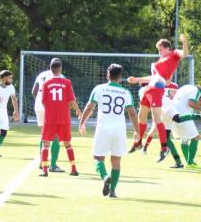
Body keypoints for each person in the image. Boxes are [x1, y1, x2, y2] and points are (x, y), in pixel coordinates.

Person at [79, 64, 139, 198]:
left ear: (108, 75)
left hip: (103, 128)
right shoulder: (125, 92)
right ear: (120, 77)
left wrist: (82, 122)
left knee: (98, 158)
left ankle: (105, 176)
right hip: (119, 130)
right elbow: (133, 114)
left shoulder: (99, 89)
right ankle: (112, 191)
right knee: (116, 161)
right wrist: (138, 131)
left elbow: (90, 107)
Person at [127, 34, 189, 162]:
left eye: (160, 49)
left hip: (157, 90)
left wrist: (184, 42)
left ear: (167, 48)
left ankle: (164, 148)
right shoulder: (158, 62)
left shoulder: (174, 53)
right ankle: (138, 142)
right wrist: (137, 79)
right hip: (149, 88)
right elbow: (152, 77)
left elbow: (185, 54)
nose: (159, 52)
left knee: (156, 119)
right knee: (141, 116)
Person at [40, 58, 82, 177]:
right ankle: (73, 168)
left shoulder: (46, 84)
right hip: (64, 118)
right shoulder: (67, 82)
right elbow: (72, 100)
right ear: (61, 69)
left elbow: (43, 102)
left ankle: (44, 169)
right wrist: (78, 111)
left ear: (50, 69)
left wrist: (51, 109)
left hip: (50, 119)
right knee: (68, 144)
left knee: (46, 144)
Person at [32, 58, 65, 172]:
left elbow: (34, 91)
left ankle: (42, 162)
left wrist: (40, 102)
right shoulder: (61, 77)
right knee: (56, 135)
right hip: (51, 108)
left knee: (44, 134)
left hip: (39, 106)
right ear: (60, 67)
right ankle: (53, 165)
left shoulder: (41, 75)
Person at [172, 84, 201, 168]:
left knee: (184, 140)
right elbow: (191, 103)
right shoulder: (196, 91)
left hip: (173, 114)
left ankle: (188, 162)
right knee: (196, 137)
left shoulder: (185, 87)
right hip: (183, 115)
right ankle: (190, 162)